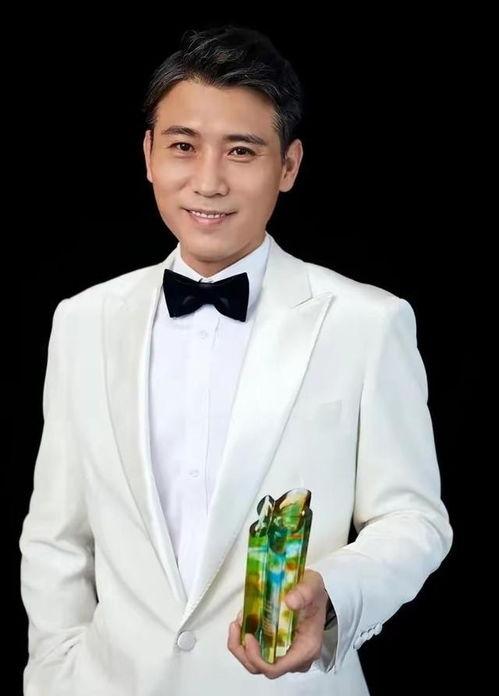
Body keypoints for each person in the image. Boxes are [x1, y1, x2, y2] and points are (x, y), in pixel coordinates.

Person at [19, 24, 453, 696]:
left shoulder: (367, 323)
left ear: (288, 166)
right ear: (149, 155)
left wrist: (333, 594)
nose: (208, 181)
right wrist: (55, 674)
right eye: (183, 147)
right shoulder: (84, 321)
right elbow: (57, 537)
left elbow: (414, 518)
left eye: (241, 151)